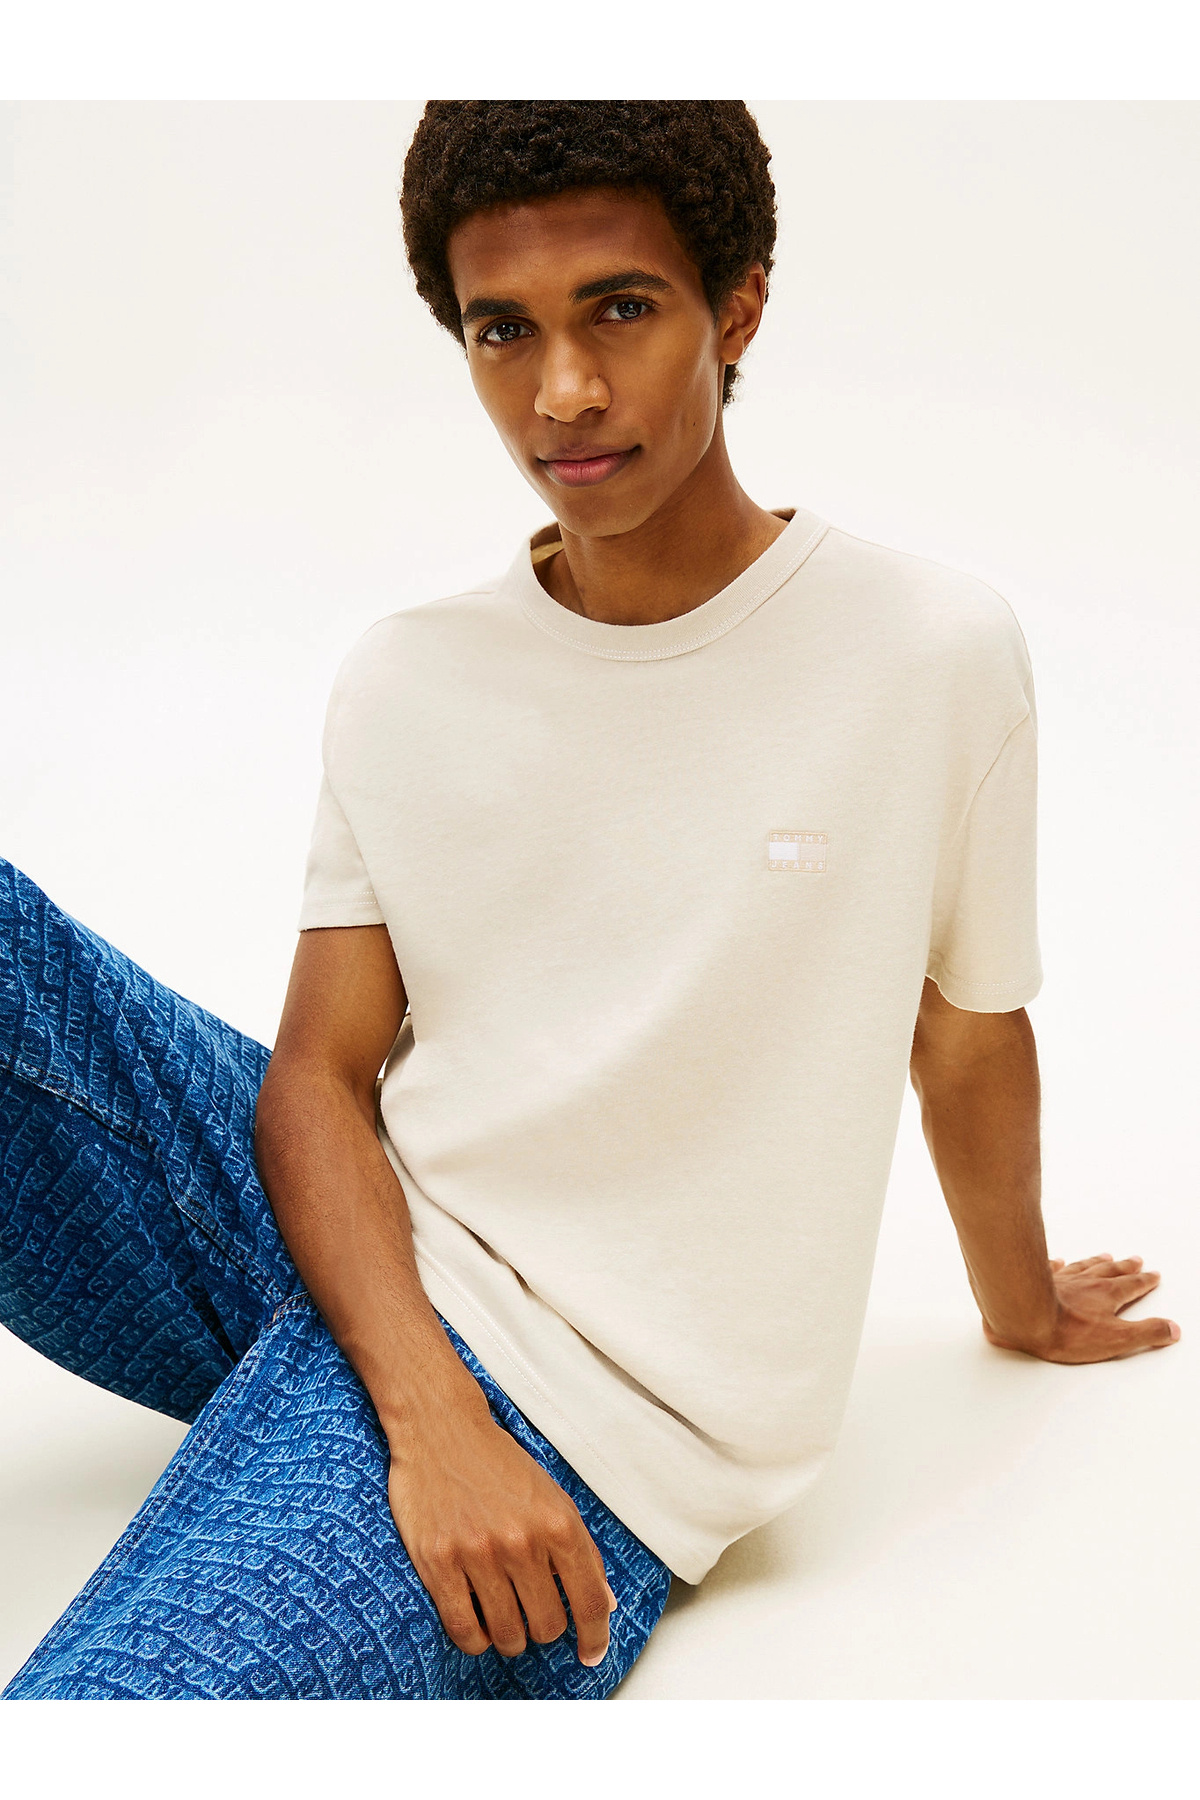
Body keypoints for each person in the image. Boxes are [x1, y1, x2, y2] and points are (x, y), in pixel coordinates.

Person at [0, 100, 1180, 1703]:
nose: (560, 392)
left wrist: (1021, 1300)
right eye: (504, 330)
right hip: (371, 1247)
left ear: (737, 309)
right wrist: (425, 1408)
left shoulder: (924, 652)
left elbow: (966, 1032)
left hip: (590, 1415)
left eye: (619, 309)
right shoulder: (412, 676)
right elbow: (318, 1082)